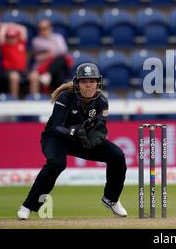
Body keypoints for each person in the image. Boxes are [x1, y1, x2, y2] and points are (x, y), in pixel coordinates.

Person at [17, 63, 128, 220]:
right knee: (57, 163)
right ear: (78, 83)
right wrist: (74, 131)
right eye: (84, 81)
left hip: (80, 140)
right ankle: (28, 206)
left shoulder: (102, 102)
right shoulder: (66, 97)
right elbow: (56, 126)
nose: (88, 85)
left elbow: (99, 127)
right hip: (56, 138)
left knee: (117, 155)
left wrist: (93, 137)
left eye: (92, 81)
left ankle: (111, 198)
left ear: (98, 83)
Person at [28, 19, 73, 94]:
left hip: (56, 67)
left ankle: (48, 75)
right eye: (40, 28)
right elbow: (52, 51)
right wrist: (51, 51)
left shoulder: (58, 37)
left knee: (61, 60)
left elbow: (63, 50)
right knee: (59, 66)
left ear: (50, 28)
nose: (43, 30)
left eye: (45, 28)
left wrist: (46, 54)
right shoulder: (36, 41)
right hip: (43, 67)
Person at [0, 23, 28, 98]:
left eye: (13, 37)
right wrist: (4, 27)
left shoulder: (22, 43)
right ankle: (14, 99)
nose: (11, 39)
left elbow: (23, 29)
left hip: (23, 70)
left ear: (17, 37)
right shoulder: (5, 46)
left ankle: (35, 98)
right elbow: (1, 33)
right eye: (9, 37)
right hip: (9, 71)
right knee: (14, 76)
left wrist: (9, 25)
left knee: (34, 76)